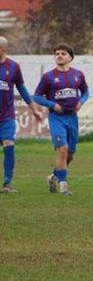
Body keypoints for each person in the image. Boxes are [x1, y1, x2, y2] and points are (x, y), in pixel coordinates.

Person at [34, 43, 89, 195]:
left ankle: (53, 177)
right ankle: (63, 186)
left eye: (63, 53)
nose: (59, 56)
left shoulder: (78, 74)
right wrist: (52, 104)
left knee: (70, 154)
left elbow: (85, 92)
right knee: (62, 150)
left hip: (72, 118)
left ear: (70, 57)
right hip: (56, 118)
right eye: (57, 53)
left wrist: (81, 102)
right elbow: (37, 96)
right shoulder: (48, 77)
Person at [0, 36, 43, 193]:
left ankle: (7, 184)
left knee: (9, 145)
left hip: (7, 117)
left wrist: (34, 109)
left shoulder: (13, 67)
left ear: (2, 50)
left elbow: (22, 88)